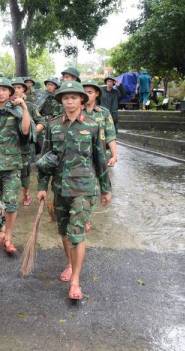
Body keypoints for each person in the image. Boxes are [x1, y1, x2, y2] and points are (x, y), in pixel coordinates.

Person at [36, 81, 111, 301]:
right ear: (61, 101)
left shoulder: (93, 124)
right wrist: (42, 186)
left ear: (81, 100)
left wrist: (105, 188)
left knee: (76, 233)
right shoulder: (53, 125)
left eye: (74, 97)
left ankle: (76, 281)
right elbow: (45, 159)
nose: (69, 101)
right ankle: (69, 263)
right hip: (60, 188)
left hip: (84, 188)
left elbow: (100, 159)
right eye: (65, 98)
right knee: (64, 232)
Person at [0, 77, 34, 254]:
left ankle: (9, 237)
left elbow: (26, 131)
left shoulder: (17, 110)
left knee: (10, 202)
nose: (1, 93)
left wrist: (24, 108)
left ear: (10, 92)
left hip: (11, 163)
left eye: (5, 90)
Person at [11, 77, 45, 207]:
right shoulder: (6, 106)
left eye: (19, 87)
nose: (16, 90)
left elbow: (42, 121)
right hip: (8, 147)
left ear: (24, 90)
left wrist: (33, 132)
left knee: (25, 173)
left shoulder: (30, 106)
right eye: (13, 87)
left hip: (24, 147)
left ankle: (25, 193)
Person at [82, 79, 118, 168]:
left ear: (96, 94)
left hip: (100, 156)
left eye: (90, 92)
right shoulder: (75, 111)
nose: (87, 95)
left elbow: (110, 135)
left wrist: (114, 155)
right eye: (84, 92)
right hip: (80, 157)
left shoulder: (104, 113)